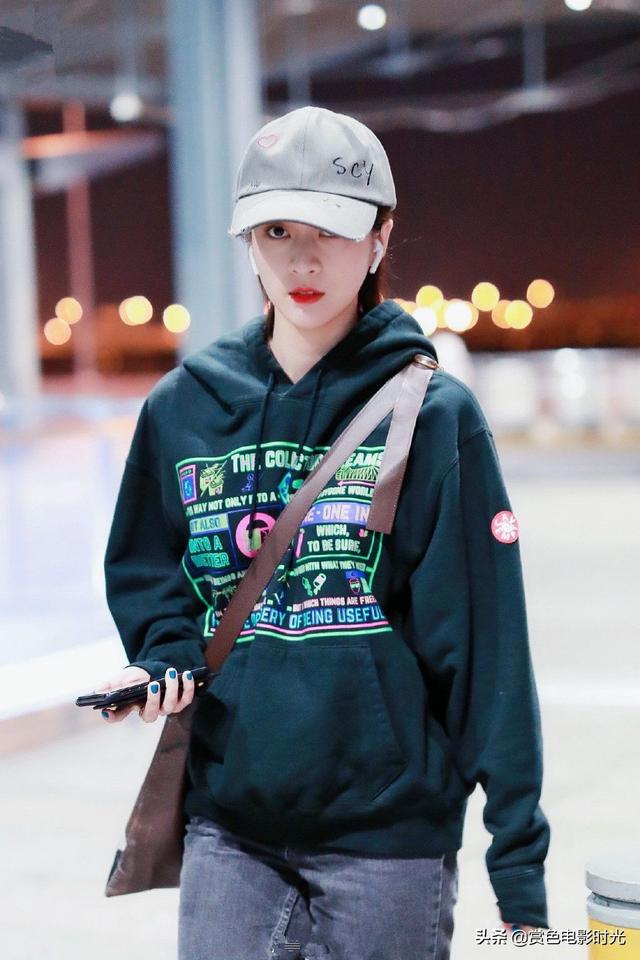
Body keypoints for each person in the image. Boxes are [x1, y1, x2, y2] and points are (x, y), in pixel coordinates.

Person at [95, 105, 551, 959]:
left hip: (389, 845)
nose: (303, 260)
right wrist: (163, 657)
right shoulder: (184, 407)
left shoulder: (434, 415)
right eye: (277, 231)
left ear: (380, 239)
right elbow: (151, 572)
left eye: (333, 231)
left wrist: (520, 871)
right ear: (247, 240)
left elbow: (487, 652)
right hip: (228, 828)